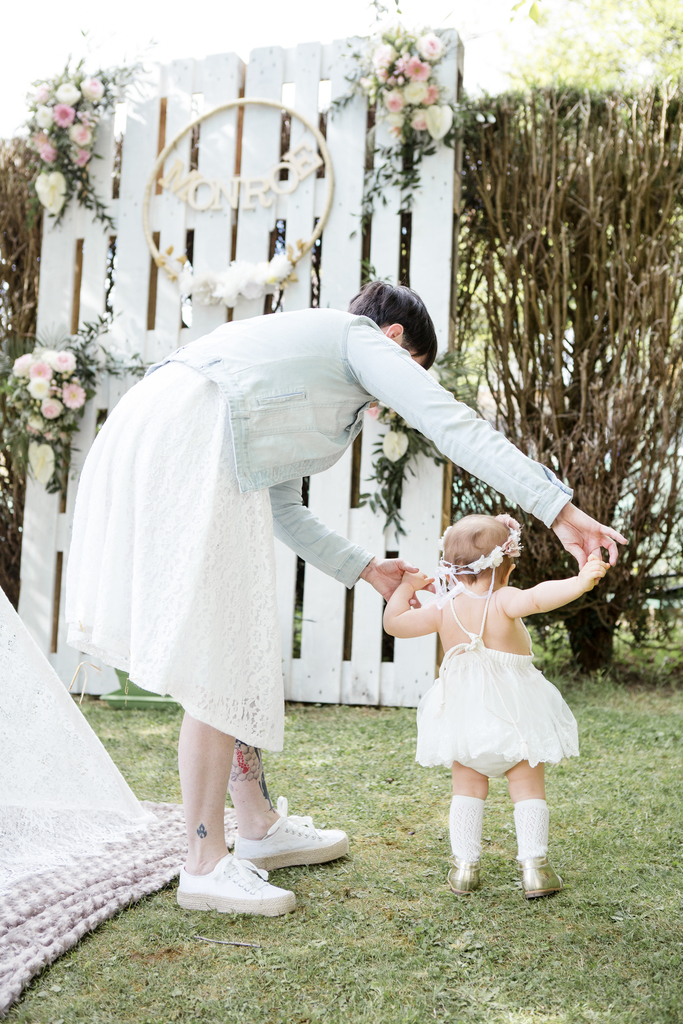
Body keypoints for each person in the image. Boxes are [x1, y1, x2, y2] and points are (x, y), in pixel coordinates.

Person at [65, 282, 625, 916]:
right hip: (189, 431)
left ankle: (255, 826)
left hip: (168, 425)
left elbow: (281, 505)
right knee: (221, 644)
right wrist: (559, 510)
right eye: (411, 371)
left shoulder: (304, 370)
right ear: (393, 342)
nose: (392, 399)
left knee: (236, 640)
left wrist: (365, 569)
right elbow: (452, 424)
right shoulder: (357, 339)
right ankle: (203, 861)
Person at [383, 513, 609, 899]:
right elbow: (540, 596)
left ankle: (465, 868)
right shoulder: (505, 599)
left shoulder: (443, 608)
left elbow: (395, 624)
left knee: (467, 786)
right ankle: (535, 868)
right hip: (514, 717)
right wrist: (581, 580)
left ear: (450, 570)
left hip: (465, 720)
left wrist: (405, 587)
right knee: (527, 784)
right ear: (506, 566)